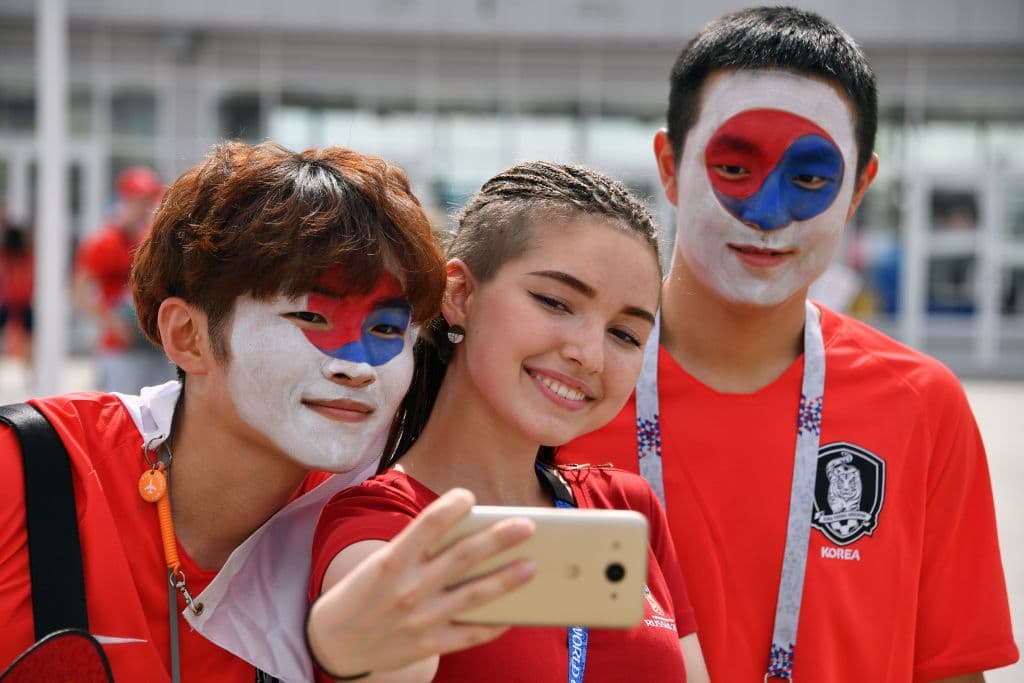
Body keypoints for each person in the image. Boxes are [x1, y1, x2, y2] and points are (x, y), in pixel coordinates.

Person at [558, 7, 1019, 682]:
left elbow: (951, 667)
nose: (767, 215)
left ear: (859, 189)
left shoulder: (922, 406)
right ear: (670, 166)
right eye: (733, 167)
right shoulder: (567, 383)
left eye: (809, 178)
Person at [0, 141, 532, 682]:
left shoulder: (367, 532)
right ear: (188, 337)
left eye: (385, 329)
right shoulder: (25, 472)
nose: (357, 367)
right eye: (310, 317)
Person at [305, 161, 711, 683]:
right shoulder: (384, 525)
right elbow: (367, 647)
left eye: (625, 335)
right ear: (460, 295)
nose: (590, 355)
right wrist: (346, 645)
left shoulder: (626, 509)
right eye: (555, 302)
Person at [74, 165, 174, 392]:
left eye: (150, 200)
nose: (145, 207)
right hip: (120, 348)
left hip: (154, 346)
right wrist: (112, 322)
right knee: (120, 408)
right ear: (125, 200)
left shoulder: (153, 240)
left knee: (162, 410)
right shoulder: (103, 243)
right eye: (140, 200)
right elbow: (79, 293)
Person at [0, 223, 34, 361]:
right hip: (22, 300)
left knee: (28, 334)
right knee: (29, 334)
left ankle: (27, 360)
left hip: (9, 300)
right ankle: (29, 362)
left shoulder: (4, 256)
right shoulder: (28, 256)